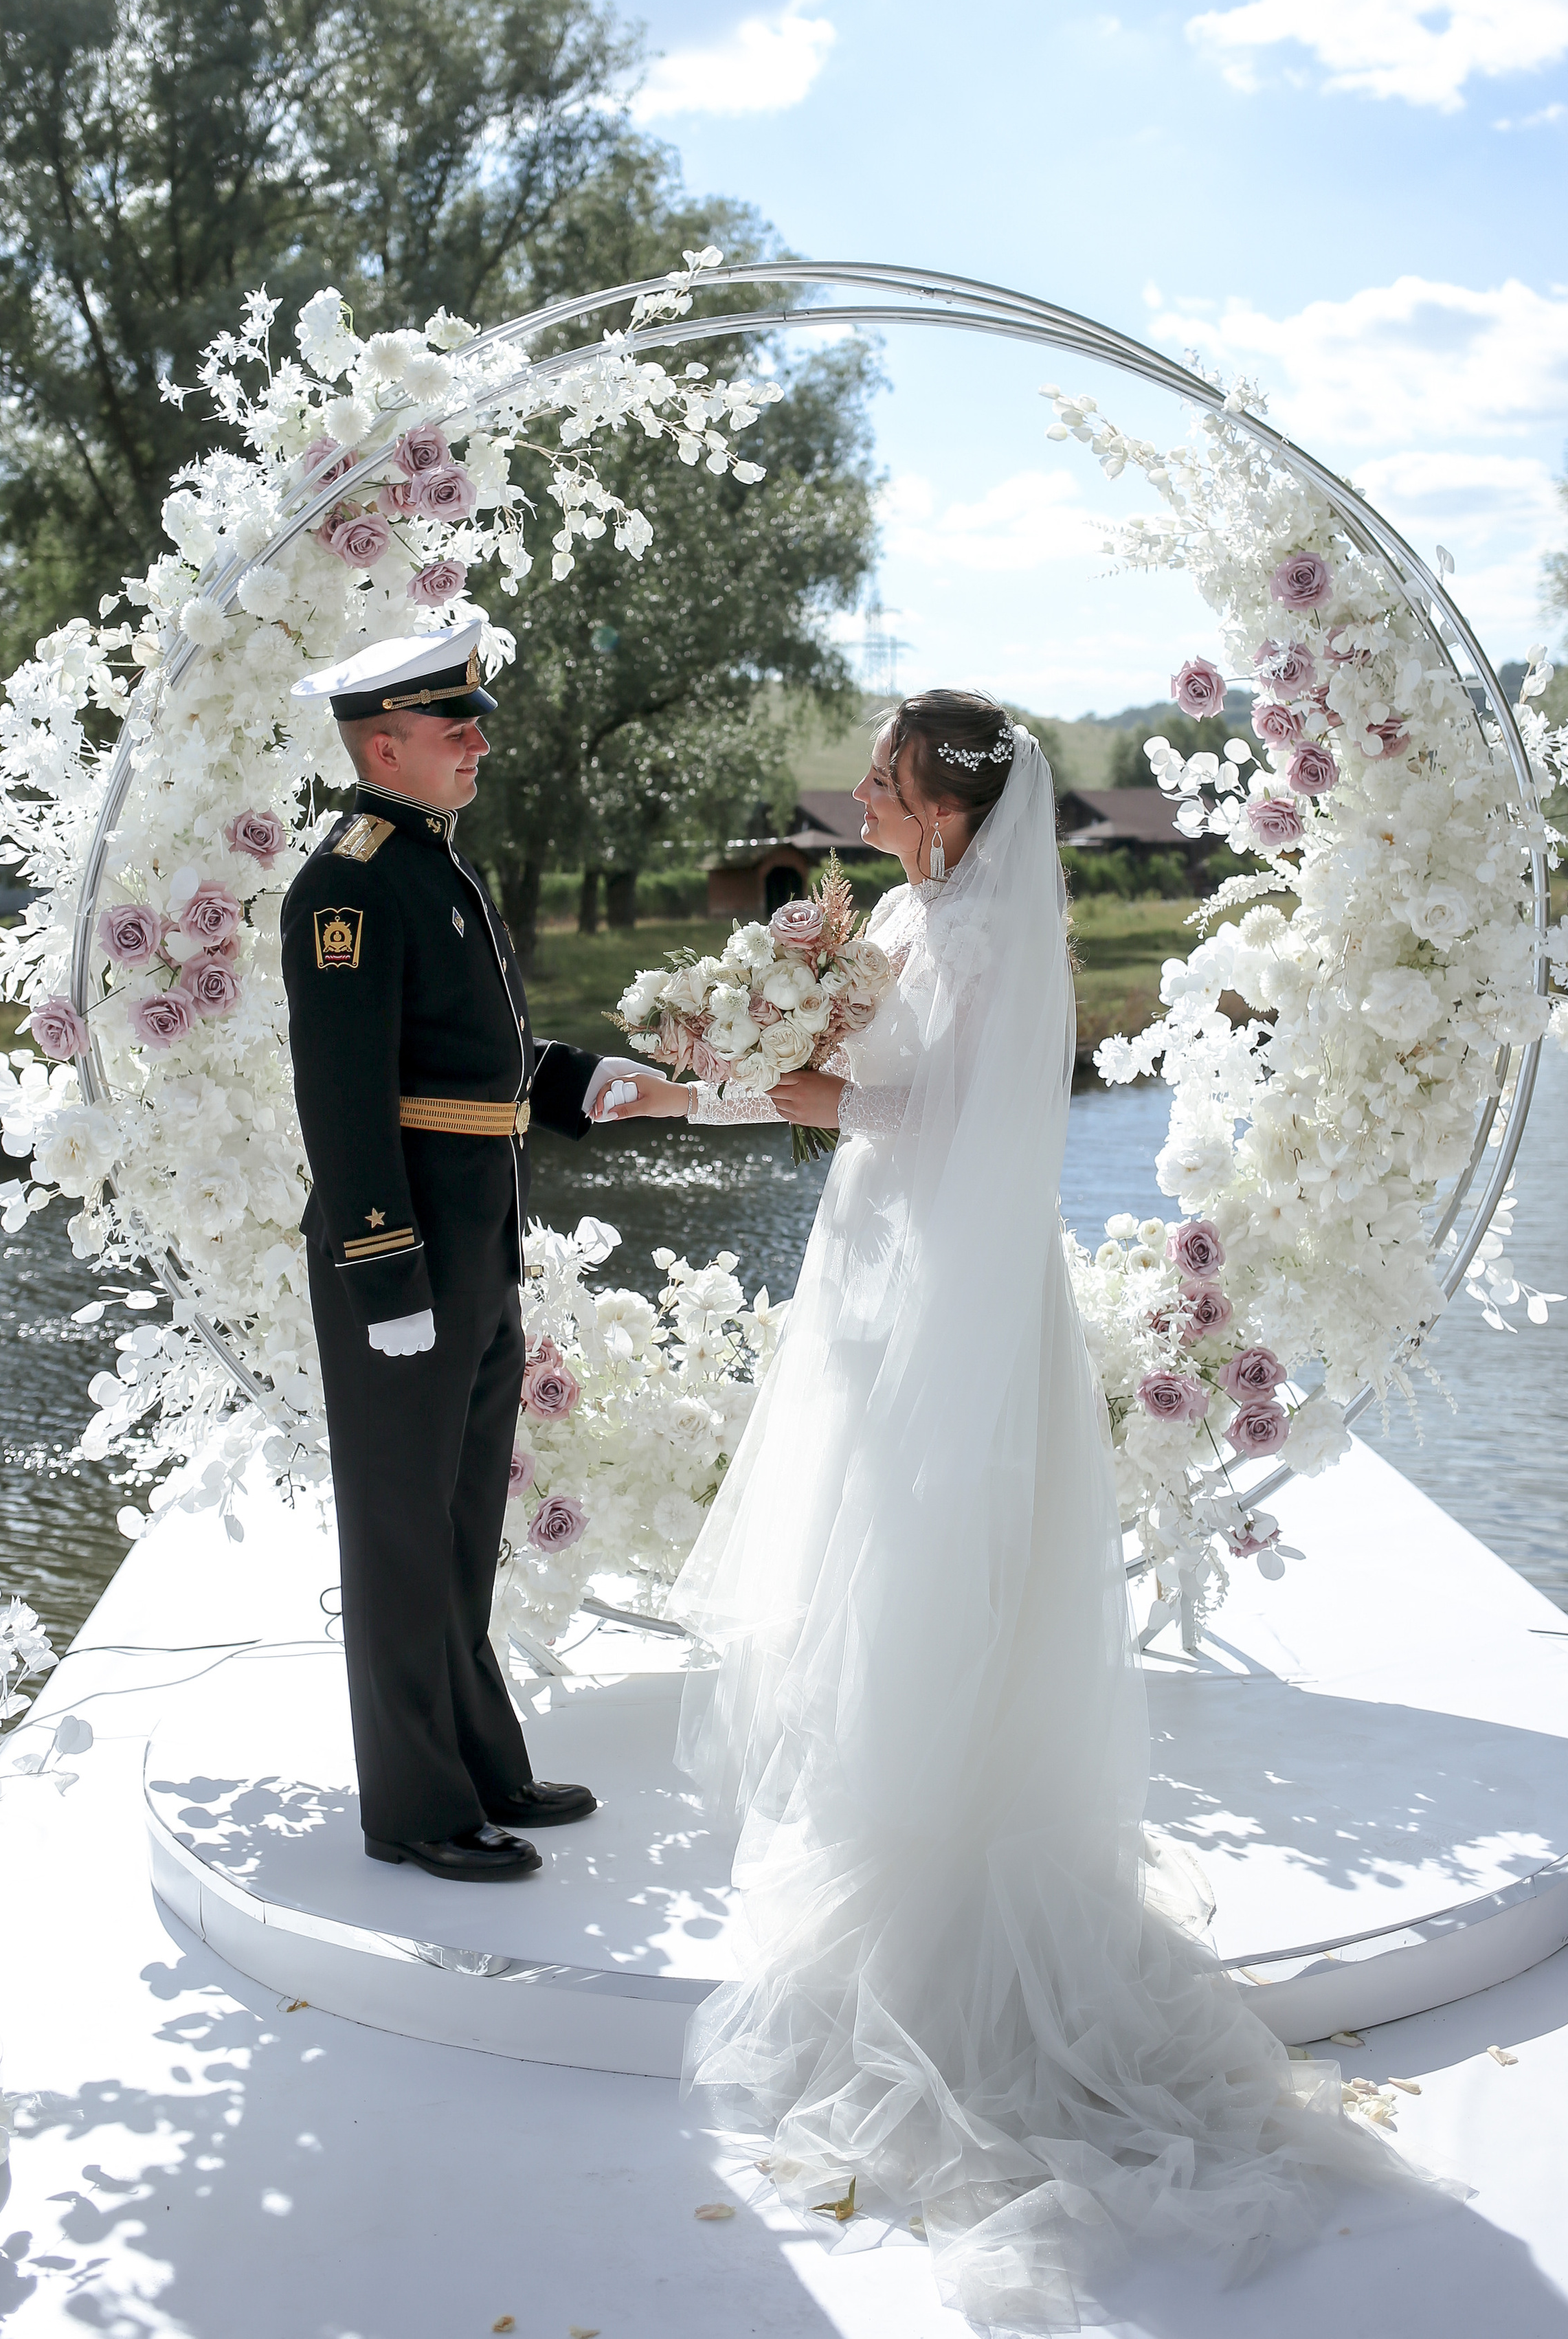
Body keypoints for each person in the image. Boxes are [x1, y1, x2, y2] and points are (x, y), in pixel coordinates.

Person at [614, 691, 1443, 2329]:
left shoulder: (960, 942)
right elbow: (892, 1102)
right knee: (907, 1557)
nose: (853, 786)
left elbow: (887, 1113)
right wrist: (769, 1033)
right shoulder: (926, 918)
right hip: (924, 1271)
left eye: (879, 772)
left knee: (905, 1556)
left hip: (930, 1291)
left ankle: (922, 1888)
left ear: (936, 807)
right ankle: (899, 1797)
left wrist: (702, 1085)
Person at [282, 622, 648, 1886]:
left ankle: (482, 1763)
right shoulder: (350, 879)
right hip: (409, 1258)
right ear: (385, 745)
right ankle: (415, 1808)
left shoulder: (434, 864)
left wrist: (579, 1080)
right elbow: (343, 1097)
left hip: (478, 1242)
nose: (481, 743)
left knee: (457, 1525)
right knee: (397, 1537)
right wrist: (385, 1272)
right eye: (458, 728)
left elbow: (467, 1059)